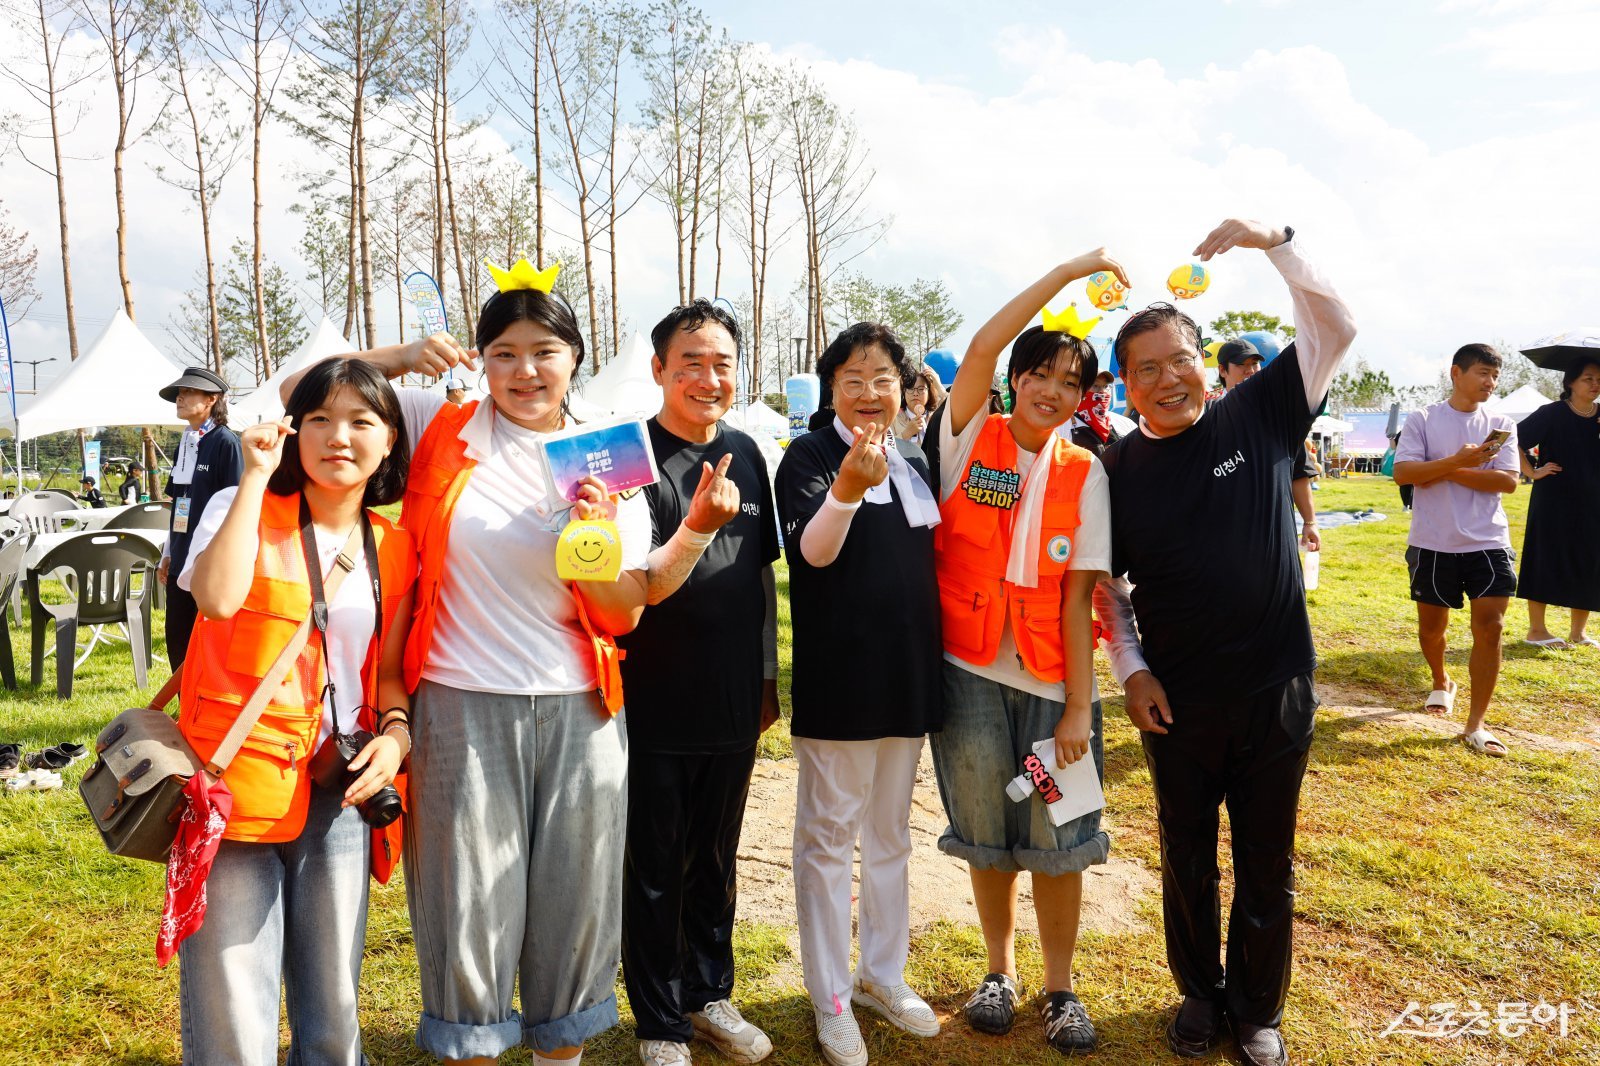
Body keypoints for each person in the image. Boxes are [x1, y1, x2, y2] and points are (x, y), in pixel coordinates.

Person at [282, 261, 649, 1066]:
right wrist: (401, 356)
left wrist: (597, 539)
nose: (525, 371)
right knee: (465, 910)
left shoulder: (608, 452)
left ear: (575, 359)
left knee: (575, 903)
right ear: (480, 359)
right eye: (505, 352)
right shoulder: (438, 422)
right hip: (456, 705)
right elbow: (296, 393)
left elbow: (626, 612)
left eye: (544, 351)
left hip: (581, 710)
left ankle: (563, 1049)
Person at [1094, 219, 1356, 1066]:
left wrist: (1276, 244)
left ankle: (1257, 1009)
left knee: (1266, 861)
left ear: (1202, 360)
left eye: (1179, 359)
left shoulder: (1262, 411)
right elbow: (1108, 593)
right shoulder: (1118, 468)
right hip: (1178, 700)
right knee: (1187, 860)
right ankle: (1199, 995)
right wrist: (1130, 671)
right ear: (1126, 387)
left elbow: (1336, 326)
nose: (1168, 378)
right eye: (1147, 370)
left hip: (1276, 683)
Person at [176, 357, 416, 1065]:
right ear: (293, 430)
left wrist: (397, 740)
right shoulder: (239, 505)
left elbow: (393, 673)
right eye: (319, 419)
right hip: (234, 785)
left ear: (390, 439)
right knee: (233, 1010)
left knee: (335, 1010)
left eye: (360, 421)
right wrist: (253, 477)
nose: (338, 436)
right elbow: (215, 600)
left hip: (338, 790)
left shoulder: (394, 547)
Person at [931, 251, 1121, 1056]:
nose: (1052, 392)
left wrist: (1079, 705)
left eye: (1070, 383)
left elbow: (1081, 596)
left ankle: (1059, 987)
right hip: (968, 677)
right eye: (1039, 374)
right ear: (1016, 380)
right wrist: (1071, 273)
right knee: (984, 831)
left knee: (1056, 838)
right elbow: (976, 348)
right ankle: (997, 973)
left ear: (1084, 398)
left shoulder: (1087, 472)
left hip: (1049, 687)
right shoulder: (969, 436)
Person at [618, 300, 782, 1066]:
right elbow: (628, 585)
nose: (707, 377)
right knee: (655, 865)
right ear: (659, 370)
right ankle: (659, 1023)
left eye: (721, 363)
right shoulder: (629, 459)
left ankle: (709, 992)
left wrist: (766, 679)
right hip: (650, 700)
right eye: (691, 362)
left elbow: (758, 580)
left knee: (716, 856)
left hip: (730, 699)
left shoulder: (748, 453)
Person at [775, 322, 943, 1066]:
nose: (871, 393)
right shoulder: (809, 456)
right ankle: (830, 997)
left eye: (884, 379)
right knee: (826, 843)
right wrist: (847, 486)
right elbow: (813, 553)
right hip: (841, 682)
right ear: (831, 388)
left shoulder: (911, 459)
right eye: (854, 379)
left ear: (904, 388)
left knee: (890, 837)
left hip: (907, 680)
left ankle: (882, 975)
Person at [1392, 343, 1520, 756]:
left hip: (1488, 541)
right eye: (1483, 373)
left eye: (1495, 376)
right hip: (1433, 542)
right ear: (1456, 373)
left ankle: (1475, 724)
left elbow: (1507, 482)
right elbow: (1404, 474)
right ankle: (1441, 680)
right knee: (1432, 630)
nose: (1490, 382)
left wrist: (1447, 469)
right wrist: (1463, 460)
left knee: (1492, 628)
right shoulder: (1424, 418)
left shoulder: (1501, 422)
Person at [158, 366, 243, 669]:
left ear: (212, 399)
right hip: (181, 555)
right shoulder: (186, 440)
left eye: (188, 392)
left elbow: (237, 504)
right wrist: (168, 552)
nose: (180, 398)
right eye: (179, 393)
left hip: (210, 561)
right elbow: (179, 500)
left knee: (209, 643)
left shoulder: (225, 442)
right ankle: (185, 710)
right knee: (178, 639)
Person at [1515, 357, 1600, 649]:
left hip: (1593, 502)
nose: (1595, 384)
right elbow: (1513, 440)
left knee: (1590, 562)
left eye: (1599, 379)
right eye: (1588, 378)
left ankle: (1579, 632)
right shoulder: (1551, 413)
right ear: (1570, 382)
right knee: (1544, 558)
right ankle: (1537, 630)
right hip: (1553, 500)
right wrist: (1532, 471)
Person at [1216, 339, 1321, 552]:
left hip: (1277, 532)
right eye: (1241, 365)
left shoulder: (1280, 417)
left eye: (1254, 364)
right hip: (1225, 534)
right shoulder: (1209, 417)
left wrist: (1310, 522)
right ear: (1222, 371)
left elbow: (1298, 473)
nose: (1250, 371)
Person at [1066, 369, 1122, 459]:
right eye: (1095, 385)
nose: (1102, 391)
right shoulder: (1064, 424)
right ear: (1081, 389)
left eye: (1105, 386)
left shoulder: (1117, 422)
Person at [893, 363, 946, 447]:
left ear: (929, 392)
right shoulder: (894, 418)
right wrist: (905, 434)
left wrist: (939, 386)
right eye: (910, 389)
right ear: (904, 392)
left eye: (921, 389)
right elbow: (885, 450)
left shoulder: (938, 415)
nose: (915, 393)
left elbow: (956, 409)